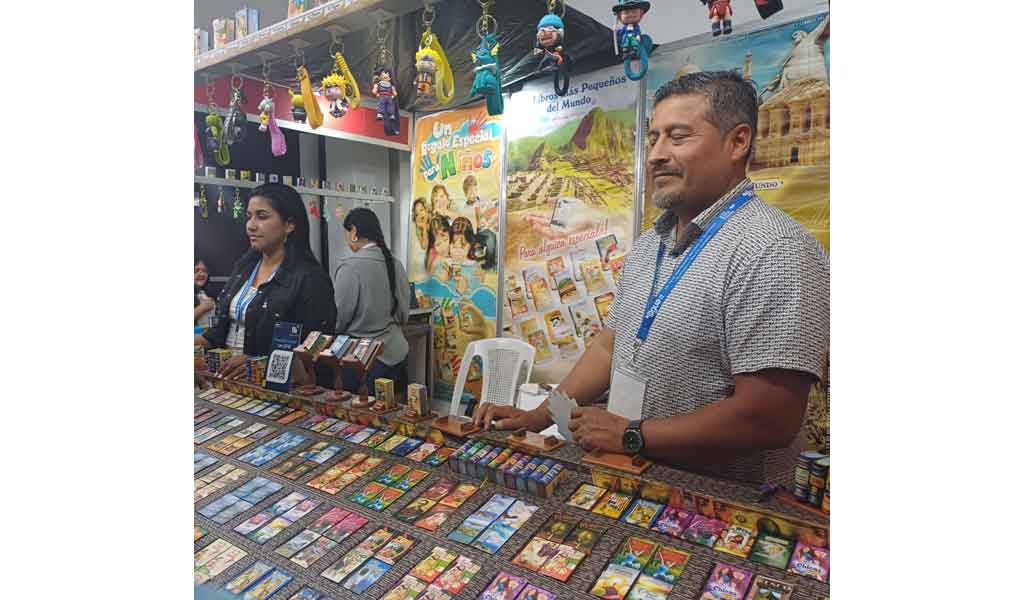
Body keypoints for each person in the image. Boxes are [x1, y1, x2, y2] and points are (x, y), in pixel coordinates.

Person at [472, 71, 829, 487]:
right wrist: (539, 416)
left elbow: (769, 417)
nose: (656, 154)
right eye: (653, 138)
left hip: (720, 502)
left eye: (678, 137)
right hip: (631, 481)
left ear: (737, 142)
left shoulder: (774, 249)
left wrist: (632, 435)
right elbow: (610, 346)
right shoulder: (650, 244)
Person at [195, 184, 337, 381]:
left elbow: (316, 349)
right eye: (249, 216)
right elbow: (216, 334)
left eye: (262, 216)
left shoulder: (310, 278)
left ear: (289, 224)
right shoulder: (244, 268)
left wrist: (259, 364)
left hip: (276, 389)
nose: (251, 225)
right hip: (227, 382)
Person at [334, 208, 411, 395]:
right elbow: (403, 315)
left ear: (353, 231)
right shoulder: (395, 263)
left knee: (360, 411)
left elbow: (339, 320)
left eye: (347, 232)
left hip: (363, 359)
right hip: (397, 351)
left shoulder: (350, 267)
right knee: (390, 408)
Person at [194, 255, 215, 330]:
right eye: (196, 271)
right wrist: (202, 308)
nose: (201, 274)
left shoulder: (209, 293)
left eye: (204, 271)